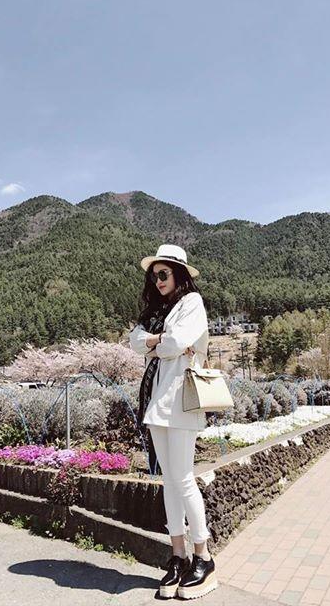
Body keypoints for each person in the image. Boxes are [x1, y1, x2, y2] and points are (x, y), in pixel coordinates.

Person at [128, 243, 218, 600]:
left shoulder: (192, 303)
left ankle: (203, 557)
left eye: (164, 274)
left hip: (181, 400)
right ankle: (178, 556)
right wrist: (160, 342)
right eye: (154, 276)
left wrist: (160, 344)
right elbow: (135, 342)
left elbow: (176, 342)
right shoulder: (156, 311)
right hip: (157, 402)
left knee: (182, 478)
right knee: (169, 481)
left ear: (179, 274)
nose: (158, 280)